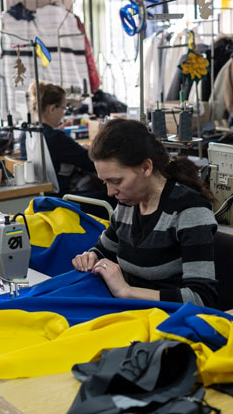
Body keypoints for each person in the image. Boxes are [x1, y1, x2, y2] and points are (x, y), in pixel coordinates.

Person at [71, 118, 218, 307]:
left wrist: (126, 291)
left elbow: (200, 299)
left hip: (169, 321)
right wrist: (90, 257)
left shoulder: (189, 210)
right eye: (105, 182)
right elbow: (103, 250)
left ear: (146, 167)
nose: (110, 192)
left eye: (116, 181)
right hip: (132, 312)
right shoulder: (127, 204)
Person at [25, 81, 99, 195]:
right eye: (64, 108)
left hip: (39, 198)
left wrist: (76, 148)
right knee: (111, 197)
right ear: (53, 108)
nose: (64, 114)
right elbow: (91, 163)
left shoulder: (27, 133)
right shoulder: (56, 138)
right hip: (62, 199)